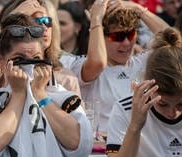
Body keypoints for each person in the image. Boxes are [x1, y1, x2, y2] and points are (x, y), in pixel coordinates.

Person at [0, 13, 92, 157]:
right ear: (1, 61)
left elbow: (78, 143)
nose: (30, 66)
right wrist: (18, 95)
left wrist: (39, 94)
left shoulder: (62, 97)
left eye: (36, 59)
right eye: (19, 59)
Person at [68, 0, 169, 140]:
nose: (126, 43)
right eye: (118, 37)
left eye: (131, 34)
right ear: (100, 36)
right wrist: (96, 20)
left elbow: (172, 43)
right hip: (104, 150)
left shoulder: (143, 62)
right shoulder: (81, 64)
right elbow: (98, 62)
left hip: (142, 149)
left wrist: (139, 9)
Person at [106, 27, 182, 157]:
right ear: (147, 86)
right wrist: (135, 126)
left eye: (181, 105)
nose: (172, 113)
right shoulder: (124, 109)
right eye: (163, 104)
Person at [0, 0, 82, 96]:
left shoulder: (67, 77)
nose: (44, 27)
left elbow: (76, 114)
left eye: (47, 21)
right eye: (35, 21)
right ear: (15, 28)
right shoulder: (6, 69)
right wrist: (16, 14)